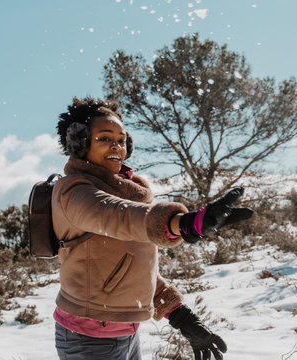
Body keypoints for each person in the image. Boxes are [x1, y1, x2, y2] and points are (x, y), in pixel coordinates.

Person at [52, 97, 253, 360]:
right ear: (79, 143)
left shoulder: (127, 192)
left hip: (126, 331)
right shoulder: (73, 192)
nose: (116, 145)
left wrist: (180, 316)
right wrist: (181, 224)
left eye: (122, 139)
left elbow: (128, 266)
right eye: (104, 138)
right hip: (87, 337)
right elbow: (118, 216)